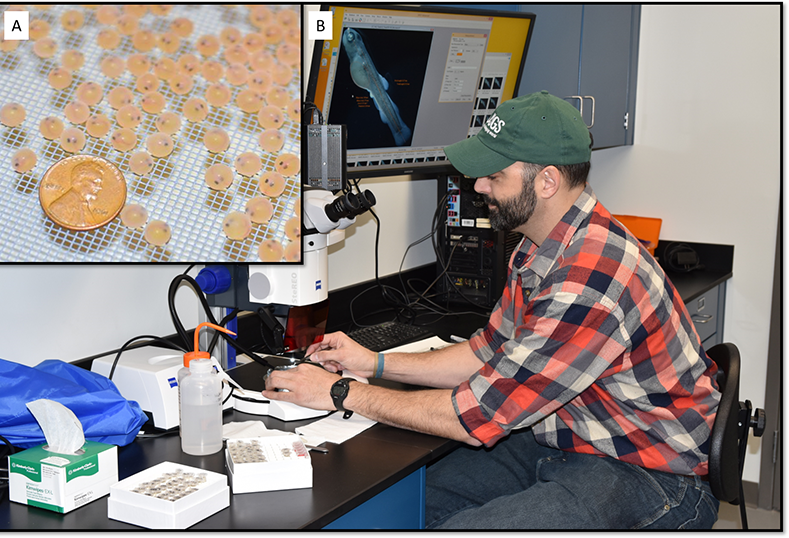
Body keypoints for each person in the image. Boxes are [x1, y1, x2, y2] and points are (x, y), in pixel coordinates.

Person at [263, 91, 721, 529]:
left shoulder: (588, 280)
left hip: (651, 474)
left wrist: (341, 392)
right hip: (577, 438)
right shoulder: (539, 248)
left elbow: (474, 416)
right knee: (406, 505)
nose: (478, 185)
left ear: (547, 181)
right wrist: (374, 362)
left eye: (494, 175)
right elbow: (488, 352)